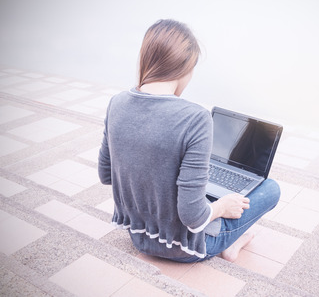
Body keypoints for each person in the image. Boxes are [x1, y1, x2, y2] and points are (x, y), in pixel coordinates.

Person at [98, 19, 280, 263]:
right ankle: (229, 243)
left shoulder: (117, 103)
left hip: (138, 237)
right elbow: (193, 217)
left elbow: (106, 175)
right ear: (186, 67)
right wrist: (222, 207)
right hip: (185, 248)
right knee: (270, 189)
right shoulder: (195, 119)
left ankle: (230, 240)